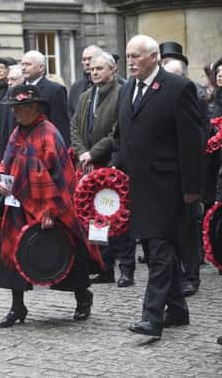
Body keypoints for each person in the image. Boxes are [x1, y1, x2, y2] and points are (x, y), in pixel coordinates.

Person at [113, 35, 202, 339]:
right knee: (153, 249)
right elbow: (122, 136)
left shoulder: (178, 89)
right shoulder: (127, 90)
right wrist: (115, 169)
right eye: (128, 56)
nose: (132, 61)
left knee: (161, 250)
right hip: (138, 186)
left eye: (137, 56)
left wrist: (192, 188)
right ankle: (177, 309)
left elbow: (191, 141)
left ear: (154, 57)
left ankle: (152, 318)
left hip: (168, 186)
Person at [0, 83, 98, 327]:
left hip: (49, 205)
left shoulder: (49, 133)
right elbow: (5, 163)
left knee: (64, 254)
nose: (15, 113)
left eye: (19, 108)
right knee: (13, 254)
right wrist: (1, 181)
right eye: (13, 108)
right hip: (19, 202)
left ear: (33, 107)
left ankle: (83, 298)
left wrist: (49, 211)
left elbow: (60, 177)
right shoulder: (17, 132)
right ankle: (17, 307)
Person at [71, 51, 136, 287]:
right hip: (89, 166)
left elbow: (117, 130)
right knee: (96, 219)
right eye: (92, 69)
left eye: (99, 68)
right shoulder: (87, 95)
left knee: (118, 218)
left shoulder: (122, 93)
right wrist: (81, 152)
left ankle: (126, 268)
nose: (94, 72)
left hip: (112, 164)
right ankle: (105, 267)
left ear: (112, 70)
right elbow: (75, 127)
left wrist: (94, 152)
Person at [162, 52, 214, 297]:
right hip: (166, 174)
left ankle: (191, 276)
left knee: (188, 229)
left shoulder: (197, 98)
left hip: (189, 174)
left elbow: (200, 138)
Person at [21, 50, 71, 145]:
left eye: (28, 64)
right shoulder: (16, 90)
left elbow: (60, 124)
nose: (23, 68)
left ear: (41, 67)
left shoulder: (55, 90)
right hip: (20, 147)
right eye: (22, 64)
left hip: (45, 146)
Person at [0, 64, 24, 160]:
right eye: (8, 80)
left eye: (13, 79)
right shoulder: (4, 99)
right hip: (4, 147)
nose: (10, 83)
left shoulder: (27, 100)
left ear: (22, 79)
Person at [68, 45, 103, 118]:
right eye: (84, 59)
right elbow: (71, 114)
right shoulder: (76, 87)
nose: (86, 62)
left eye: (90, 59)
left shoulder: (115, 84)